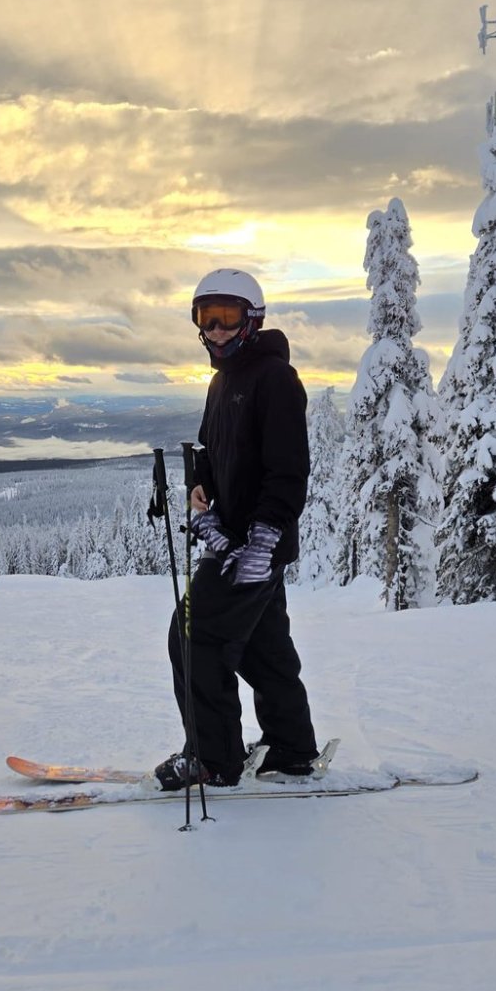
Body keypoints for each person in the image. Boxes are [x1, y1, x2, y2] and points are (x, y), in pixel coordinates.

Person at [154, 267, 319, 790]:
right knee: (261, 648)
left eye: (227, 318)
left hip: (253, 546)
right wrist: (201, 487)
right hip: (234, 541)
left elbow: (288, 470)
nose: (217, 330)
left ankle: (213, 758)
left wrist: (262, 541)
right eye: (207, 318)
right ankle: (290, 749)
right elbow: (213, 451)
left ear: (253, 320)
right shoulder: (223, 382)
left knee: (193, 639)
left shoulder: (274, 379)